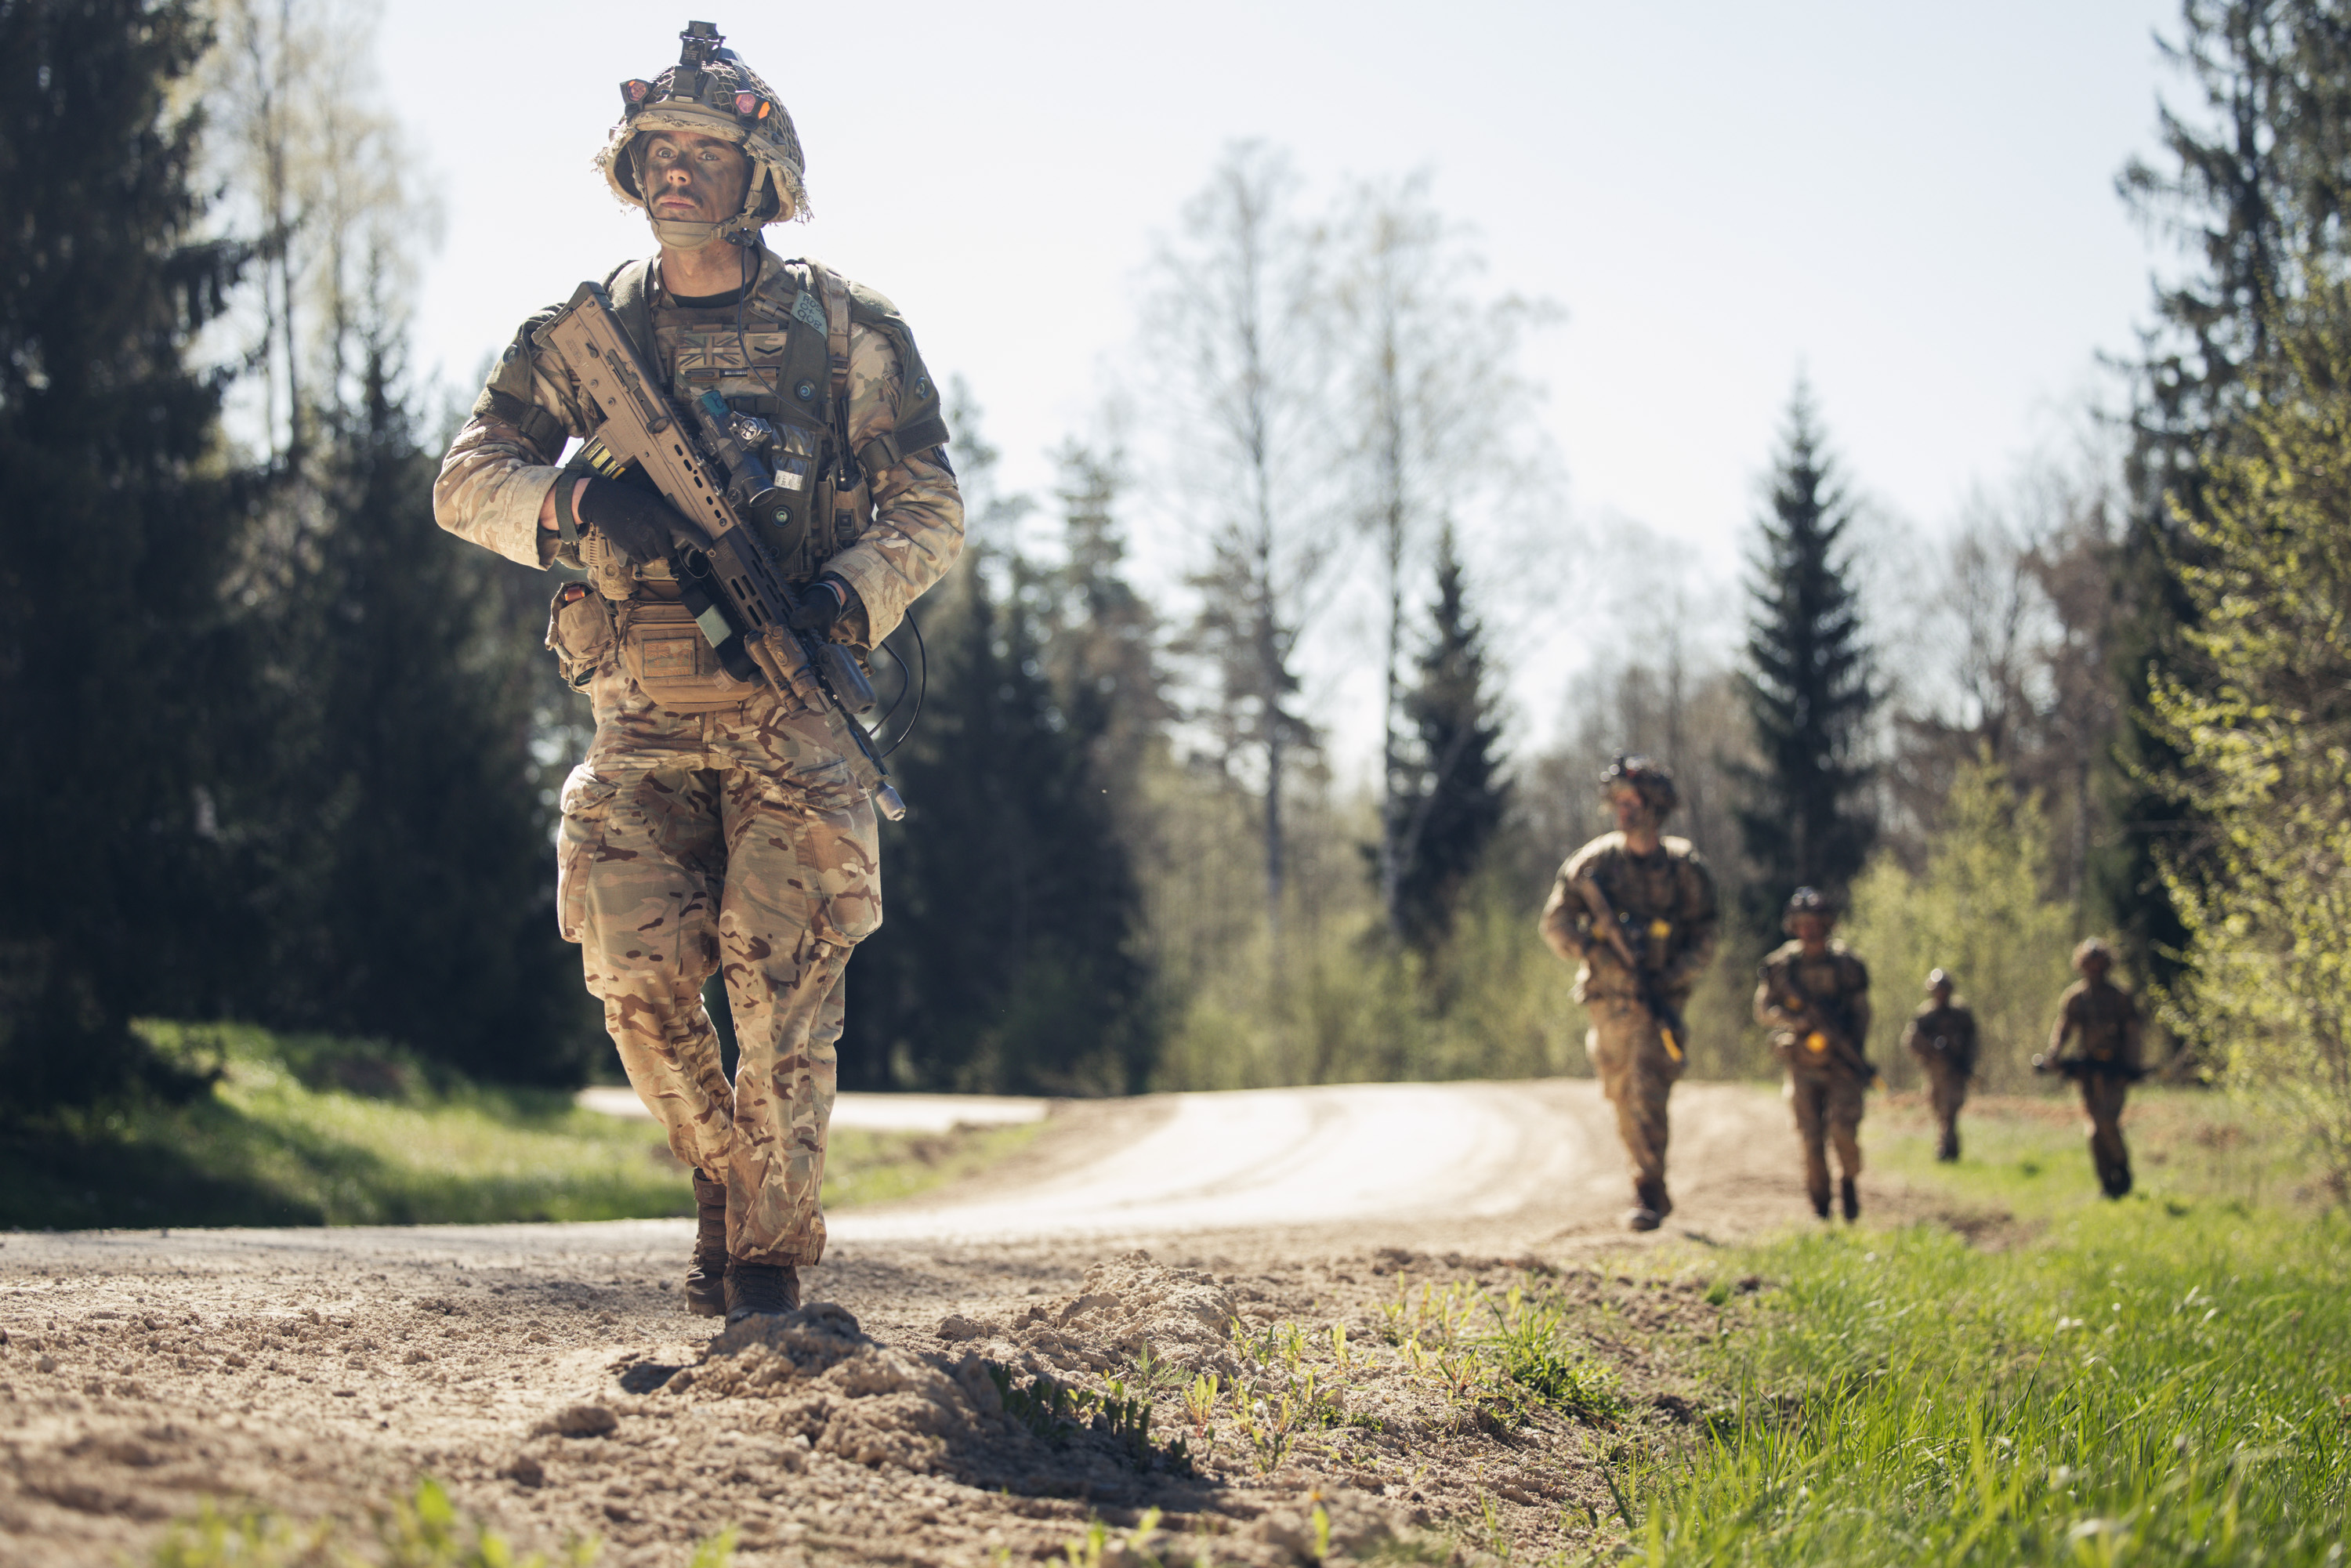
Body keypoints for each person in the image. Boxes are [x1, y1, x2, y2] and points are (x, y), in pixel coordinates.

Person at [433, 20, 963, 1321]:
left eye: (705, 153)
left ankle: (770, 1271)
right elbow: (465, 481)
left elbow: (932, 508)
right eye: (657, 151)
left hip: (794, 725)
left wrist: (848, 596)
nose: (677, 171)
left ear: (760, 174)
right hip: (639, 725)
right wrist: (578, 519)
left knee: (780, 997)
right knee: (636, 980)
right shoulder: (587, 335)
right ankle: (726, 1184)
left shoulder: (847, 334)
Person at [1539, 755, 1719, 1232]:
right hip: (1607, 1003)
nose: (1623, 810)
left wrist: (1673, 975)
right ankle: (1648, 1179)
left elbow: (1707, 936)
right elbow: (1555, 924)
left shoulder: (1683, 868)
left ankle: (1647, 1186)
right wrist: (1594, 945)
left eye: (1633, 801)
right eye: (1617, 801)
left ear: (1655, 808)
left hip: (1658, 1000)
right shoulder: (1593, 864)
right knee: (1620, 1094)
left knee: (1648, 1088)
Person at [1754, 888, 1873, 1221]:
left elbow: (1862, 1013)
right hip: (1802, 1064)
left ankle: (1848, 1181)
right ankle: (1820, 1206)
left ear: (1828, 925)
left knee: (1843, 1131)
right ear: (1793, 926)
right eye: (1803, 924)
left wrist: (1851, 1049)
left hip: (1841, 1065)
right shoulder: (1781, 967)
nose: (1810, 931)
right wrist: (1796, 1019)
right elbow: (1763, 1010)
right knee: (1810, 1140)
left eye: (1816, 924)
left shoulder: (1847, 965)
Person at [2044, 938, 2145, 1198]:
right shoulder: (2075, 998)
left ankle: (2121, 1170)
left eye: (2099, 964)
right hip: (2088, 1074)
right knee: (2093, 1130)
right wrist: (2054, 1055)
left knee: (2106, 1122)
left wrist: (2131, 1067)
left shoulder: (2120, 997)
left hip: (2115, 1072)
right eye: (2090, 965)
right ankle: (2107, 1181)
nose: (2095, 970)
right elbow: (2064, 1029)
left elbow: (2133, 1034)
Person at [1902, 969, 1977, 1162]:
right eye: (1938, 990)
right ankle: (1946, 1146)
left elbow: (1972, 1041)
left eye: (1944, 990)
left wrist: (1967, 1063)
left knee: (1951, 1109)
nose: (1941, 994)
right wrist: (1930, 1050)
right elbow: (1911, 1041)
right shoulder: (1925, 1015)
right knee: (1938, 1108)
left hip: (1956, 1071)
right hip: (1935, 1071)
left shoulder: (1961, 1014)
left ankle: (1947, 1148)